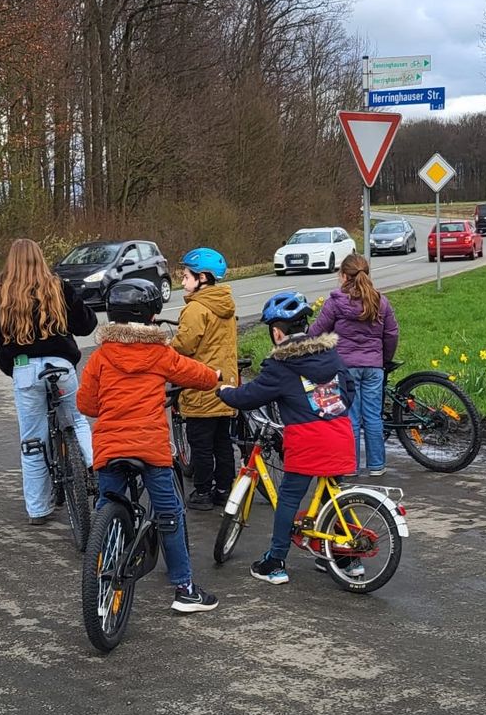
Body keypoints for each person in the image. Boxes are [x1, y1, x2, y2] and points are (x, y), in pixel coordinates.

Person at [76, 278, 221, 613]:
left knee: (106, 505)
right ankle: (184, 589)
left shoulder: (100, 357)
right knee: (169, 514)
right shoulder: (159, 354)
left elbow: (86, 405)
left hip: (110, 446)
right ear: (151, 316)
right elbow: (193, 374)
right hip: (150, 447)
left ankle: (105, 558)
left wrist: (111, 406)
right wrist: (216, 376)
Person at [217, 291, 358, 585]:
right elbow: (349, 390)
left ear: (277, 332)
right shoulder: (330, 354)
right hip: (340, 433)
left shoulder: (281, 365)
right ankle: (345, 558)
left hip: (307, 439)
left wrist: (224, 393)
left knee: (289, 499)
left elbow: (250, 396)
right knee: (334, 496)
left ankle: (276, 562)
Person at [0, 238, 98, 524]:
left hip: (24, 370)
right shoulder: (58, 286)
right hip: (62, 366)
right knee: (77, 422)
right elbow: (87, 324)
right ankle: (94, 469)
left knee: (33, 440)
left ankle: (38, 509)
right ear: (40, 259)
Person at [308, 253, 399, 477]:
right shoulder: (380, 301)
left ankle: (350, 466)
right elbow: (391, 334)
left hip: (345, 367)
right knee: (373, 416)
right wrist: (384, 360)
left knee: (350, 417)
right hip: (374, 368)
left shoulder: (336, 302)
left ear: (343, 276)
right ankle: (377, 465)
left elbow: (316, 332)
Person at [170, 247, 239, 511]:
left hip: (202, 386)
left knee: (200, 443)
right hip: (226, 386)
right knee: (223, 442)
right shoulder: (225, 306)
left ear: (202, 278)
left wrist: (167, 344)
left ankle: (202, 492)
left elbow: (185, 346)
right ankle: (224, 490)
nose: (182, 280)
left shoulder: (197, 309)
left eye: (186, 275)